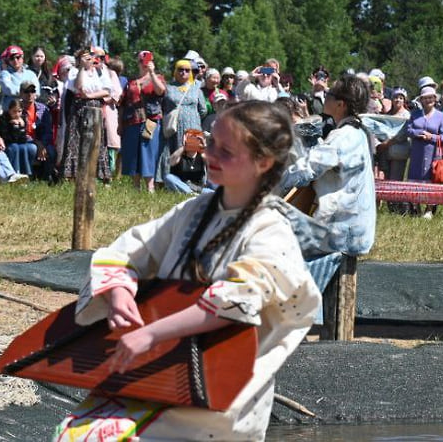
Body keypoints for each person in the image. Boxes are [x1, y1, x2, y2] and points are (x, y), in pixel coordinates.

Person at [52, 100, 319, 441]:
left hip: (218, 393)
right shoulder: (193, 211)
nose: (210, 154)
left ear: (263, 162)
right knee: (76, 434)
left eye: (226, 150)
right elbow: (131, 250)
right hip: (158, 370)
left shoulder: (269, 230)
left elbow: (235, 301)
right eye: (211, 143)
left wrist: (150, 334)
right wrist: (119, 294)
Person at [282, 75, 378, 301]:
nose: (325, 97)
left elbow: (309, 168)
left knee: (278, 243)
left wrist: (272, 180)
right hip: (353, 227)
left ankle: (297, 313)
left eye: (330, 94)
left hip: (342, 231)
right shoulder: (358, 131)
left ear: (340, 104)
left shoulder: (344, 136)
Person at [59, 48, 115, 182]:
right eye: (85, 58)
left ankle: (98, 175)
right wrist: (82, 69)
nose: (90, 60)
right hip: (78, 108)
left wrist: (91, 95)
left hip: (95, 107)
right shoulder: (74, 72)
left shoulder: (100, 71)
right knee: (75, 141)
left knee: (96, 141)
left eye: (90, 57)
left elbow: (107, 90)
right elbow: (78, 87)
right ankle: (72, 175)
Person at [120, 51, 167, 192]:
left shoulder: (157, 78)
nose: (145, 64)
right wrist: (119, 124)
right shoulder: (131, 81)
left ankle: (150, 187)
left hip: (150, 122)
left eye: (148, 61)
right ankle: (136, 187)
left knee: (149, 154)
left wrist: (152, 74)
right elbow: (122, 103)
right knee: (133, 155)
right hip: (131, 122)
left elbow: (161, 92)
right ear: (138, 62)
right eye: (142, 61)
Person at [406, 85, 443, 193]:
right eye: (425, 98)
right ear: (421, 100)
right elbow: (408, 130)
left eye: (430, 97)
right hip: (417, 154)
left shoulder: (441, 116)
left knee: (431, 181)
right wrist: (419, 133)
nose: (428, 100)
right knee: (415, 180)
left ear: (435, 98)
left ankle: (429, 208)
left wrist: (431, 137)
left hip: (433, 155)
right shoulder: (414, 114)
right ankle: (415, 206)